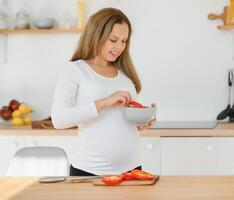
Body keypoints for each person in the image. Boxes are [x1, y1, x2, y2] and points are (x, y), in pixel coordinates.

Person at [51, 7, 156, 176]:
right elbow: (59, 119)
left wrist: (140, 122)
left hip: (132, 170)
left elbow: (118, 121)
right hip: (89, 171)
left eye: (124, 41)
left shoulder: (124, 74)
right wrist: (105, 102)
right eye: (113, 40)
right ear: (96, 36)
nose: (119, 47)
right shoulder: (74, 70)